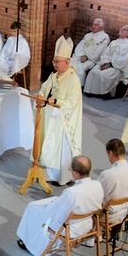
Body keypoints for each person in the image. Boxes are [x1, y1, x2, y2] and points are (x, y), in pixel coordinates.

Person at [16, 156, 103, 256]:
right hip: (86, 225)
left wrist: (51, 204)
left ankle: (30, 244)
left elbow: (53, 214)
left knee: (32, 208)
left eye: (70, 170)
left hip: (70, 229)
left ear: (75, 173)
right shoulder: (97, 185)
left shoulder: (72, 193)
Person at [36, 36, 82, 185]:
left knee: (61, 148)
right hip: (51, 115)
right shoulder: (54, 75)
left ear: (67, 62)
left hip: (64, 120)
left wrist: (54, 101)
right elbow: (45, 88)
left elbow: (72, 103)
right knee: (49, 142)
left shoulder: (73, 80)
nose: (54, 64)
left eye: (57, 62)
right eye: (54, 61)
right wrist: (41, 95)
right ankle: (49, 173)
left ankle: (63, 177)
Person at [83, 24, 128, 97]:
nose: (121, 30)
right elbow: (105, 54)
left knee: (102, 74)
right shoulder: (114, 42)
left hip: (117, 68)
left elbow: (124, 61)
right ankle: (91, 92)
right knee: (94, 71)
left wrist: (110, 65)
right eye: (121, 28)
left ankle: (103, 94)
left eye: (124, 30)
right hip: (107, 64)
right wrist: (104, 63)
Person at [97, 139, 128, 224]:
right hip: (127, 210)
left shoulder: (107, 175)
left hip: (109, 215)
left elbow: (97, 195)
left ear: (110, 153)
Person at [69, 18, 110, 86]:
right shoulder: (88, 35)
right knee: (68, 62)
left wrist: (86, 57)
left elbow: (98, 52)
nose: (93, 26)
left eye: (96, 25)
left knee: (78, 68)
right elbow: (80, 47)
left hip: (92, 60)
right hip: (81, 57)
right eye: (93, 24)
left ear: (101, 27)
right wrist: (81, 55)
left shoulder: (104, 37)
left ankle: (77, 86)